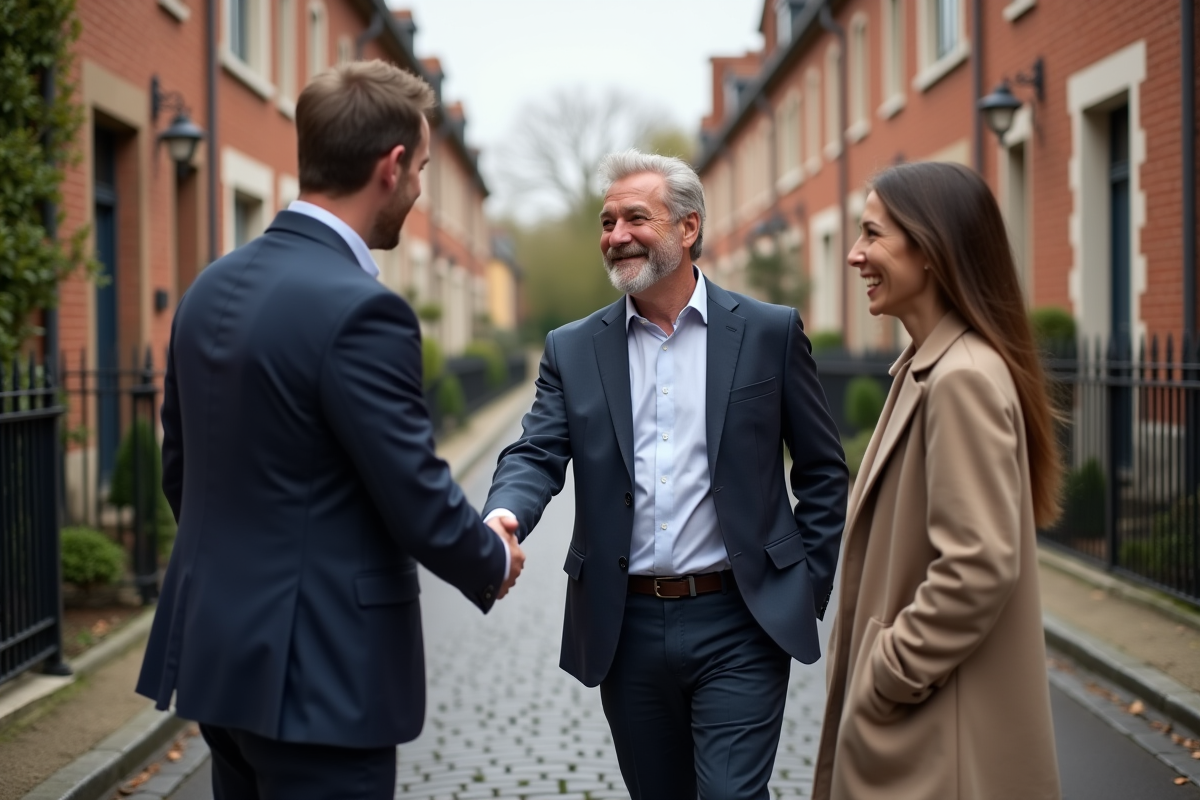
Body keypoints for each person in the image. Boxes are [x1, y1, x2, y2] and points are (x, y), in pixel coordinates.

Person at [136, 60, 525, 800]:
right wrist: (490, 555)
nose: (420, 191)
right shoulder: (362, 310)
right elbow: (413, 491)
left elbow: (181, 473)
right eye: (422, 171)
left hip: (219, 660)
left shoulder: (209, 287)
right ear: (392, 165)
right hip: (320, 678)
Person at [483, 149, 848, 800]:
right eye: (607, 222)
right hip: (626, 625)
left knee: (732, 794)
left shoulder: (768, 333)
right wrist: (505, 513)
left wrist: (803, 587)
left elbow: (822, 471)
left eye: (635, 218)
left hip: (741, 619)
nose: (616, 235)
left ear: (688, 226)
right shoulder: (573, 348)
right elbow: (536, 451)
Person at [814, 161, 1062, 799]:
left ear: (930, 249)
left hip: (934, 743)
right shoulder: (930, 368)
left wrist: (888, 672)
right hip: (926, 730)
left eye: (872, 234)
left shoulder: (961, 378)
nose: (855, 254)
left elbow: (977, 566)